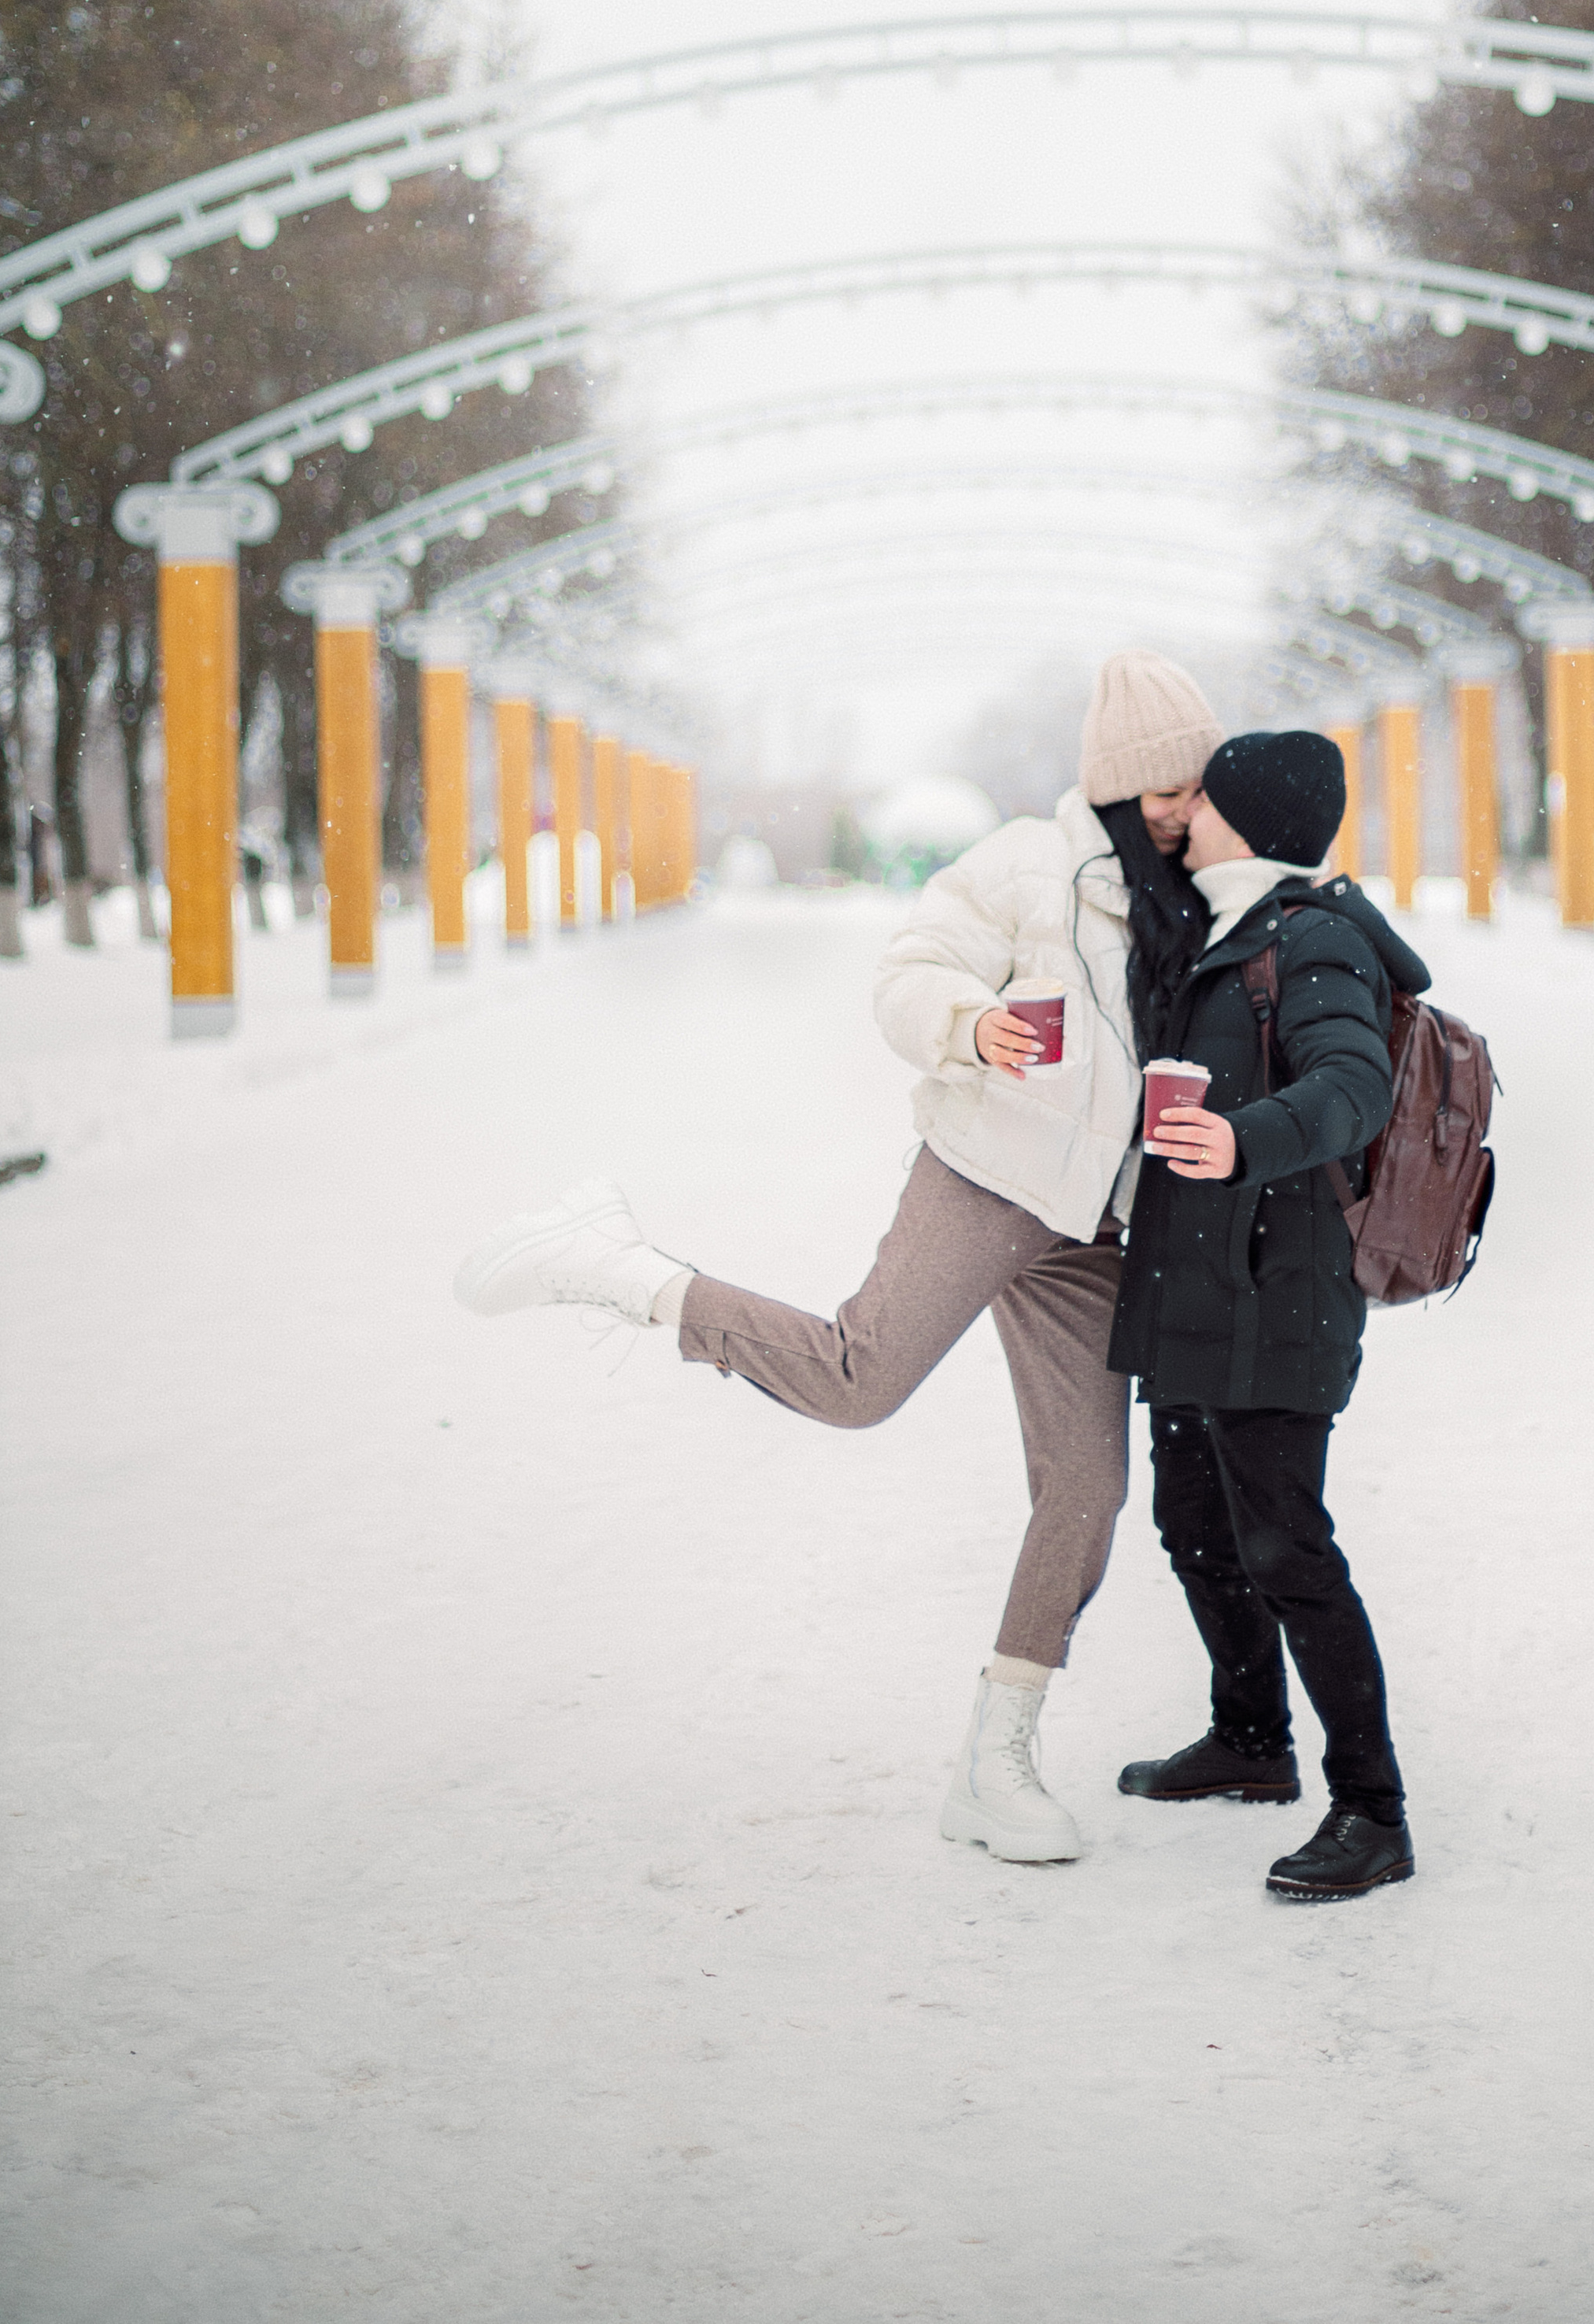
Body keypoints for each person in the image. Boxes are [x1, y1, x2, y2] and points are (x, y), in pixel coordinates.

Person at [453, 649, 1219, 1867]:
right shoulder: (1026, 866)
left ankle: (995, 1759)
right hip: (988, 1175)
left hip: (1101, 1229)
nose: (1192, 808)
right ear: (1127, 786)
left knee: (1085, 1493)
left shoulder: (1198, 887)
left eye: (1202, 784)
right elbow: (907, 976)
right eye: (1174, 788)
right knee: (861, 1381)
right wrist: (975, 1026)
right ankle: (626, 1271)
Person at [1107, 727, 1431, 1903]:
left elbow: (1352, 1086)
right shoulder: (1225, 929)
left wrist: (1245, 1137)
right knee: (1194, 1524)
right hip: (1199, 1288)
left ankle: (1373, 1810)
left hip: (1279, 1297)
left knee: (1288, 1548)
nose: (1184, 819)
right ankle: (1250, 1738)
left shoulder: (1316, 938)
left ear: (1252, 816)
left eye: (1205, 802)